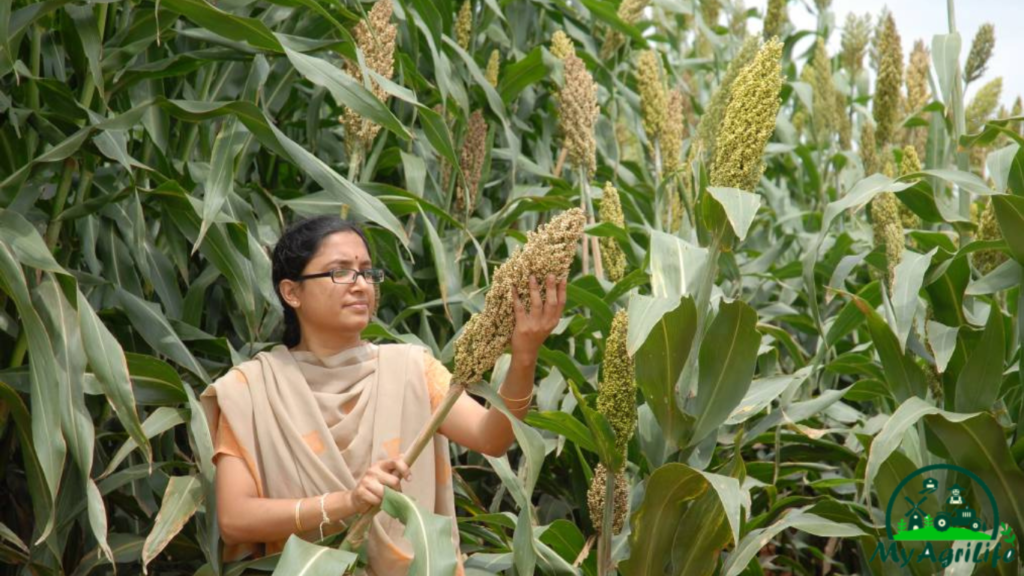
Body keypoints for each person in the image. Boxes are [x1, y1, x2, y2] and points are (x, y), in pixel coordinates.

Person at [199, 216, 567, 575]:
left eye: (367, 272)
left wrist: (524, 355)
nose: (360, 284)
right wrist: (348, 502)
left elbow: (493, 438)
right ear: (291, 291)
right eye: (340, 271)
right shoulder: (250, 389)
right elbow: (235, 519)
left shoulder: (410, 369)